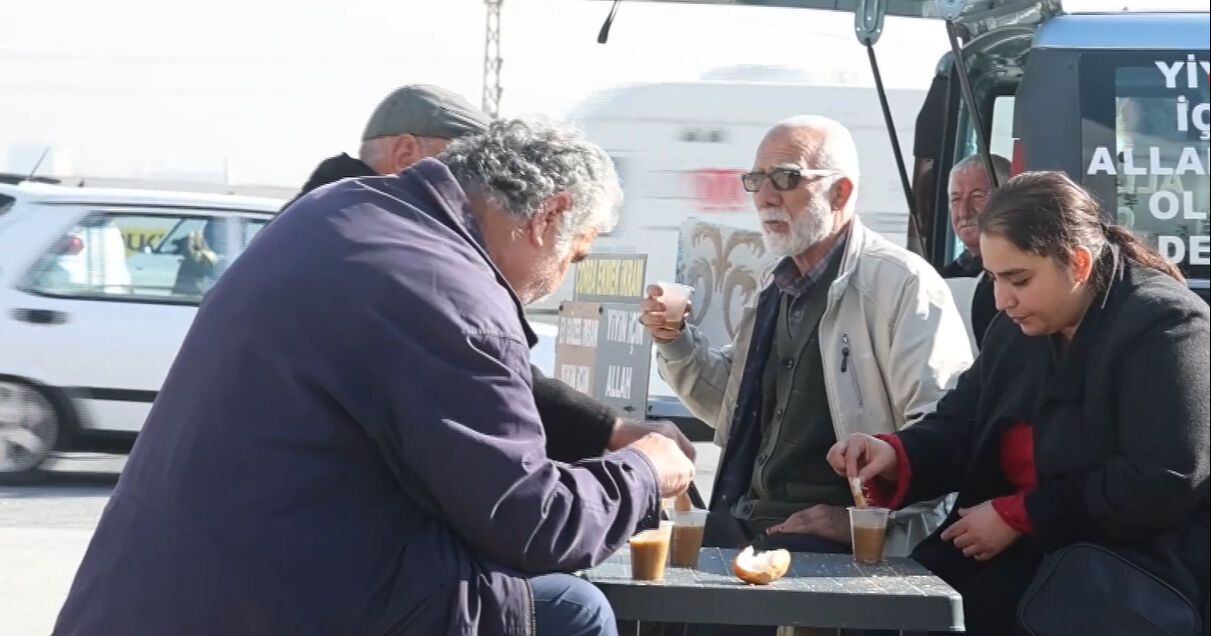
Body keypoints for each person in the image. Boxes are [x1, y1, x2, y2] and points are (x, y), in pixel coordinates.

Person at [52, 118, 696, 636]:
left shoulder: (342, 211)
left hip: (156, 585)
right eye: (575, 256)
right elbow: (534, 524)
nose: (559, 280)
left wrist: (605, 431)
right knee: (572, 611)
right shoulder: (455, 293)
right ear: (548, 216)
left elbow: (467, 375)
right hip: (277, 600)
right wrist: (644, 470)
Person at [828, 171, 1210, 636]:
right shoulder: (1016, 328)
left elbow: (1163, 478)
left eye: (1019, 279)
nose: (1001, 299)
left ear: (1079, 263)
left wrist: (1023, 515)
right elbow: (962, 425)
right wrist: (893, 454)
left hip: (1124, 574)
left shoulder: (1167, 324)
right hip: (1010, 558)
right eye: (993, 278)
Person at [282, 82, 692, 465]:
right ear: (406, 154)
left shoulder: (329, 219)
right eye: (461, 165)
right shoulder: (382, 247)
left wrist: (605, 428)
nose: (485, 186)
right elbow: (511, 488)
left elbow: (478, 366)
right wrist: (640, 470)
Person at [640, 115, 973, 557]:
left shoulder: (901, 283)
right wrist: (675, 338)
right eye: (756, 179)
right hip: (746, 519)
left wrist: (858, 522)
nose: (765, 196)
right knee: (635, 542)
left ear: (841, 192)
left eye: (786, 177)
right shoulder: (775, 284)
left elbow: (944, 433)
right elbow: (735, 408)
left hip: (839, 544)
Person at [942, 154, 1009, 351]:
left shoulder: (1021, 280)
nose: (964, 211)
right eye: (956, 199)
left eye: (978, 197)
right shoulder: (938, 278)